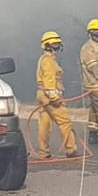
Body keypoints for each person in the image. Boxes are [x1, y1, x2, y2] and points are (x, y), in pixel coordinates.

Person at [35, 31, 77, 159]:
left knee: (44, 124)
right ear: (48, 45)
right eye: (55, 43)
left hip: (42, 94)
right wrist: (55, 97)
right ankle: (71, 150)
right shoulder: (48, 61)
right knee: (64, 121)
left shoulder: (45, 59)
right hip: (49, 96)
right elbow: (49, 81)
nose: (57, 45)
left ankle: (43, 152)